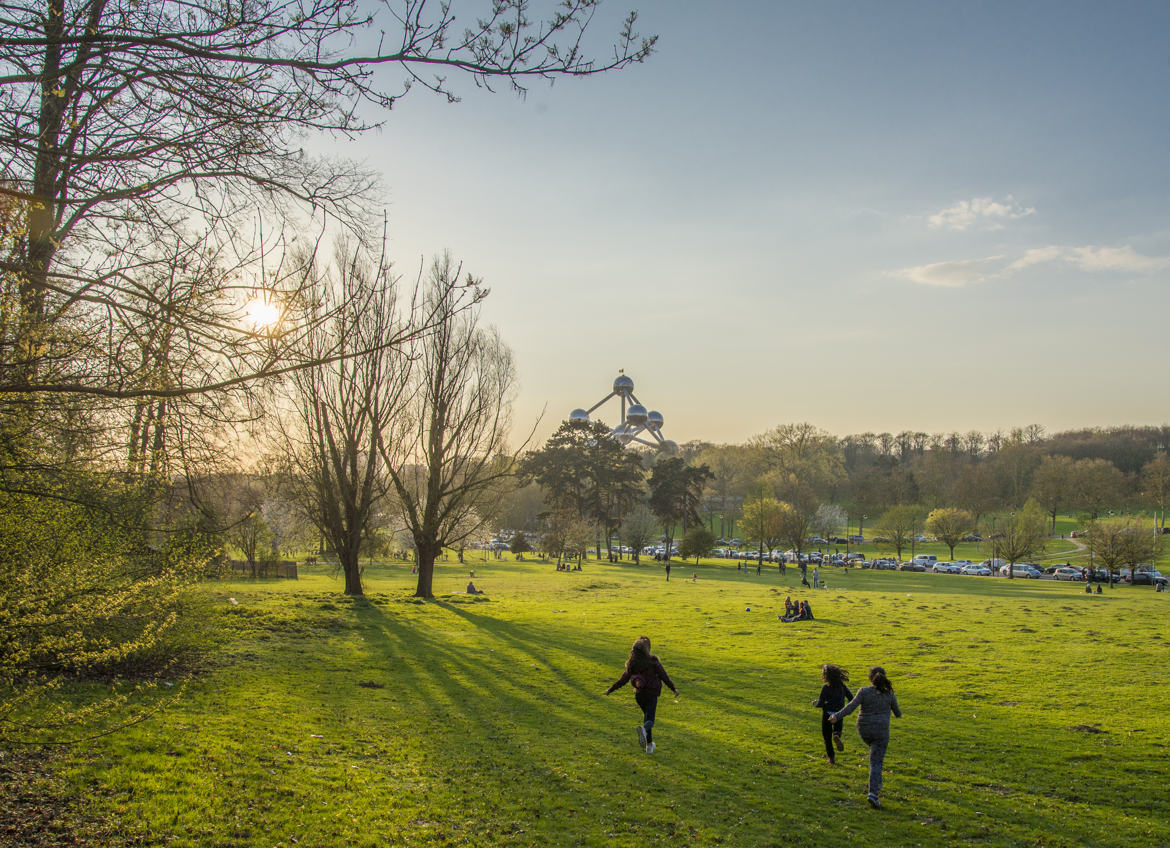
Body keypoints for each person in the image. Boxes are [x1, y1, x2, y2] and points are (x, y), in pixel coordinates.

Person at [829, 666, 902, 809]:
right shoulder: (889, 695)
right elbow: (898, 713)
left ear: (870, 678)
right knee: (876, 761)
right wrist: (892, 713)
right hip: (881, 731)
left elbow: (851, 707)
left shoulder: (864, 691)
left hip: (864, 729)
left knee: (875, 755)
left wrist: (836, 716)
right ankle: (873, 794)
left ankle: (877, 783)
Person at [604, 636, 678, 754]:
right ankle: (644, 731)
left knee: (646, 717)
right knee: (650, 720)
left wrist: (610, 689)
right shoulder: (653, 661)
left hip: (639, 695)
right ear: (646, 650)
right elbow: (664, 676)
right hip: (651, 694)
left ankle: (649, 746)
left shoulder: (632, 664)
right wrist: (673, 688)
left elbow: (623, 679)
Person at [813, 664, 853, 765]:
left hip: (827, 714)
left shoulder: (825, 688)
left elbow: (821, 703)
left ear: (826, 676)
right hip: (839, 714)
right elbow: (851, 698)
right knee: (837, 730)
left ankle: (831, 759)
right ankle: (837, 735)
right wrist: (846, 709)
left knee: (827, 737)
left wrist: (815, 703)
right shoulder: (842, 686)